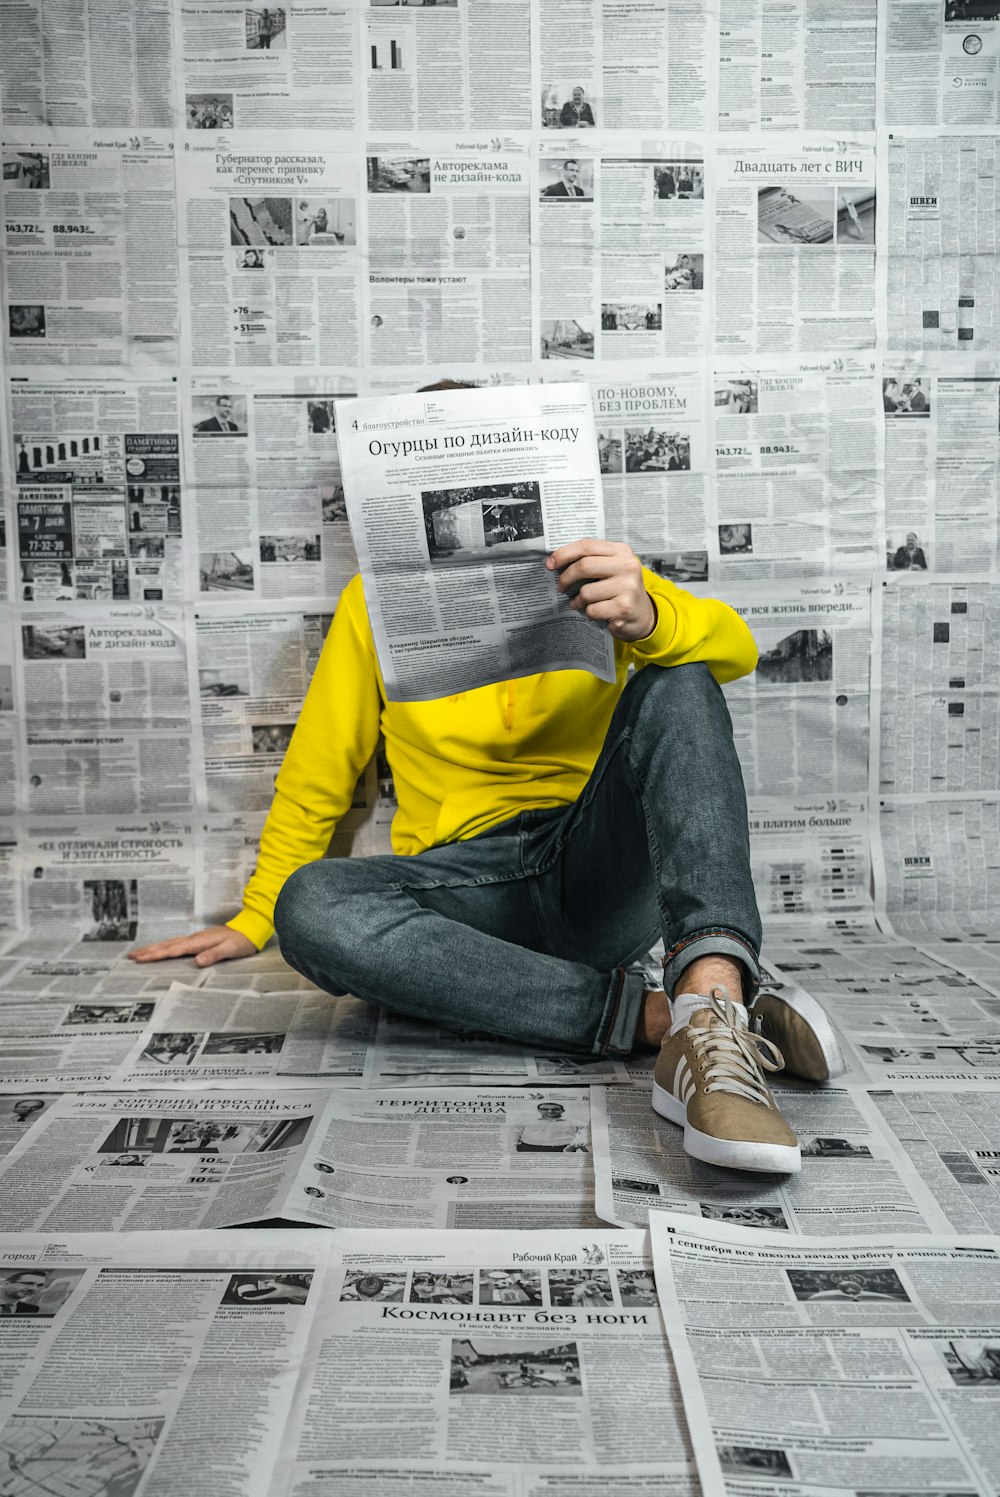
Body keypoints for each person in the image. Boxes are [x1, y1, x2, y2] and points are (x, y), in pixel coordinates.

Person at [129, 379, 845, 1175]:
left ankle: (712, 993)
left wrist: (646, 617)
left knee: (681, 679)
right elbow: (320, 771)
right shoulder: (371, 607)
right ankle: (669, 1024)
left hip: (592, 871)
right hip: (461, 896)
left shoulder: (602, 579)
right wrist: (258, 912)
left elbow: (738, 650)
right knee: (313, 902)